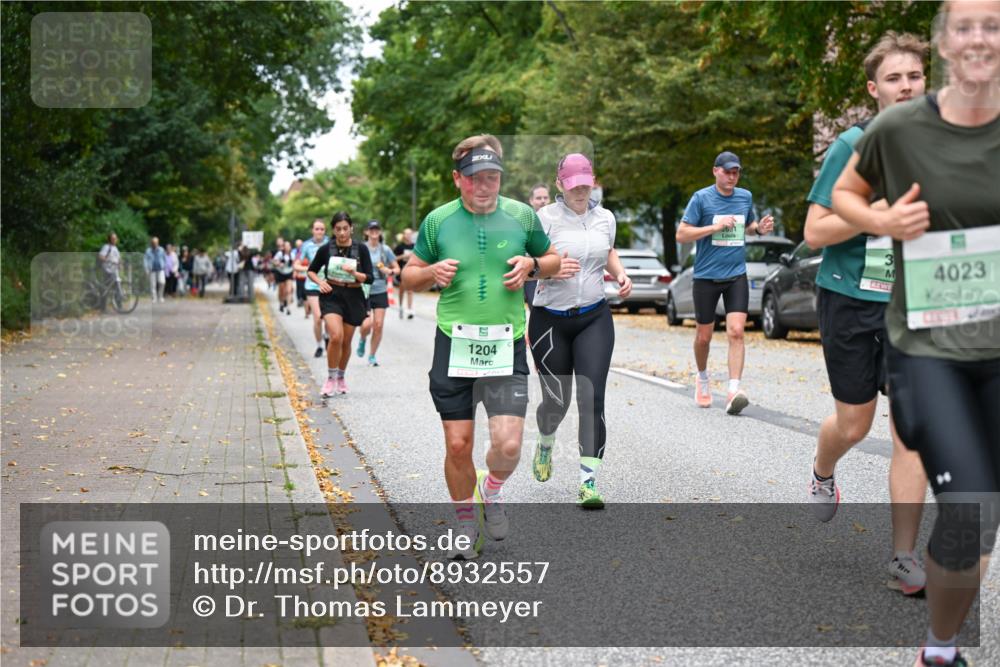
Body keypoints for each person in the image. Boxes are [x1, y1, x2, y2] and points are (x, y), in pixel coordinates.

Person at [831, 2, 1000, 664]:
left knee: (983, 519)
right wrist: (882, 222)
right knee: (969, 505)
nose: (981, 37)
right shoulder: (899, 128)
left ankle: (941, 636)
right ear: (944, 44)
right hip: (928, 349)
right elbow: (845, 195)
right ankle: (942, 646)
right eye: (966, 26)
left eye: (994, 25)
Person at [803, 31, 931, 596]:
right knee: (854, 423)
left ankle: (903, 556)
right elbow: (813, 234)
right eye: (895, 78)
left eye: (915, 76)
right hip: (851, 298)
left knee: (912, 433)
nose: (906, 86)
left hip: (914, 303)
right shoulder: (851, 147)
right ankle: (823, 472)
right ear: (874, 88)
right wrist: (875, 213)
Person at [401, 134, 560, 559]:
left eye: (493, 177)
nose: (485, 185)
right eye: (476, 178)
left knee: (508, 446)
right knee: (458, 445)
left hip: (505, 347)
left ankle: (491, 490)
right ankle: (466, 526)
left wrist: (533, 265)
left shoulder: (523, 216)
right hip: (454, 344)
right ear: (458, 179)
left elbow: (555, 262)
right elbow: (408, 277)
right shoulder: (438, 222)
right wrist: (431, 270)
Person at [528, 155, 631, 508]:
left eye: (586, 184)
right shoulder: (544, 219)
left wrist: (619, 273)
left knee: (592, 398)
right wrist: (549, 271)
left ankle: (588, 481)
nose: (580, 191)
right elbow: (525, 266)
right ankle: (545, 442)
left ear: (594, 181)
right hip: (550, 320)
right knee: (556, 402)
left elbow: (609, 251)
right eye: (573, 186)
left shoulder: (605, 218)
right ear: (560, 185)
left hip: (594, 317)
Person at [674, 151, 775, 414]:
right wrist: (713, 228)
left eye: (736, 172)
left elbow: (748, 225)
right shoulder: (701, 198)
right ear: (715, 171)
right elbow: (681, 234)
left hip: (735, 275)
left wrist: (759, 229)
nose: (732, 176)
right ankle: (703, 377)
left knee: (737, 332)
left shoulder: (745, 196)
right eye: (727, 171)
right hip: (706, 277)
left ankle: (733, 390)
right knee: (704, 337)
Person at [307, 212, 373, 397]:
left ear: (351, 228)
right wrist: (320, 283)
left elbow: (369, 278)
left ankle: (341, 377)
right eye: (338, 229)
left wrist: (355, 273)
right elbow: (311, 271)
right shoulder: (327, 249)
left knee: (346, 341)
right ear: (333, 230)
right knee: (335, 336)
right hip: (332, 295)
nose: (342, 233)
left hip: (353, 295)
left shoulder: (361, 249)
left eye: (345, 228)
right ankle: (330, 378)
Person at [356, 221, 400, 366]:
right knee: (366, 325)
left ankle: (372, 356)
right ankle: (362, 339)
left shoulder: (385, 250)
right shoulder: (361, 248)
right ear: (366, 232)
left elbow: (397, 268)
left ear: (380, 232)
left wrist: (390, 271)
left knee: (379, 324)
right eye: (371, 229)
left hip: (380, 290)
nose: (374, 232)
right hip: (364, 290)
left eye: (376, 229)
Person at [298, 220, 330, 357]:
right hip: (312, 285)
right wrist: (311, 269)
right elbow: (296, 265)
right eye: (317, 229)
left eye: (322, 229)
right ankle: (319, 346)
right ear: (312, 230)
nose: (319, 232)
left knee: (329, 317)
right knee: (318, 317)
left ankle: (327, 336)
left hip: (328, 284)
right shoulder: (306, 245)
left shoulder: (331, 243)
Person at [523, 184, 551, 316]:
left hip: (553, 275)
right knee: (536, 312)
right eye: (538, 198)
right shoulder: (524, 222)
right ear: (531, 201)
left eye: (545, 197)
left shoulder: (558, 221)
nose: (542, 201)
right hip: (531, 276)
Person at [394, 227, 417, 319]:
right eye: (407, 234)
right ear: (404, 235)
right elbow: (393, 258)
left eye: (410, 233)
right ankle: (400, 307)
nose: (408, 235)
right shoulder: (400, 247)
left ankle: (410, 309)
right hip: (402, 270)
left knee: (410, 290)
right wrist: (404, 256)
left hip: (412, 269)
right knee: (402, 290)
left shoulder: (415, 246)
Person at [97, 232, 122, 310]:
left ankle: (116, 306)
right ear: (110, 239)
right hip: (108, 270)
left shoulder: (116, 248)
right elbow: (101, 256)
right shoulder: (106, 247)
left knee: (111, 288)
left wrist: (120, 264)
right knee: (113, 288)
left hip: (114, 271)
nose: (115, 240)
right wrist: (109, 261)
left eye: (116, 238)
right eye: (113, 238)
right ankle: (105, 307)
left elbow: (118, 259)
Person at [273, 240, 295, 314]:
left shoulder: (292, 254)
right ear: (284, 247)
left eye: (288, 246)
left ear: (290, 247)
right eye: (285, 246)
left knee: (289, 290)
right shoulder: (280, 253)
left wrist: (295, 272)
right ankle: (281, 303)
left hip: (289, 273)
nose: (287, 247)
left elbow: (295, 264)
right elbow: (274, 261)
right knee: (281, 290)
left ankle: (288, 308)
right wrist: (279, 263)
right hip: (280, 273)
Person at [143, 236, 166, 303]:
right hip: (152, 269)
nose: (154, 244)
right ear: (151, 243)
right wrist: (146, 269)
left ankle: (160, 296)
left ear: (158, 243)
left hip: (160, 269)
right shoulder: (148, 251)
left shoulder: (161, 249)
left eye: (156, 243)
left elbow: (164, 258)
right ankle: (154, 298)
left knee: (162, 282)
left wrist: (164, 265)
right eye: (153, 243)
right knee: (152, 285)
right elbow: (145, 260)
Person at [292, 239, 307, 308]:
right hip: (299, 274)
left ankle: (305, 300)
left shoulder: (306, 251)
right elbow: (294, 263)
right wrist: (295, 272)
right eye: (298, 245)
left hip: (307, 275)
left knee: (304, 288)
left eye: (300, 245)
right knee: (299, 287)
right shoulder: (295, 252)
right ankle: (299, 299)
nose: (299, 247)